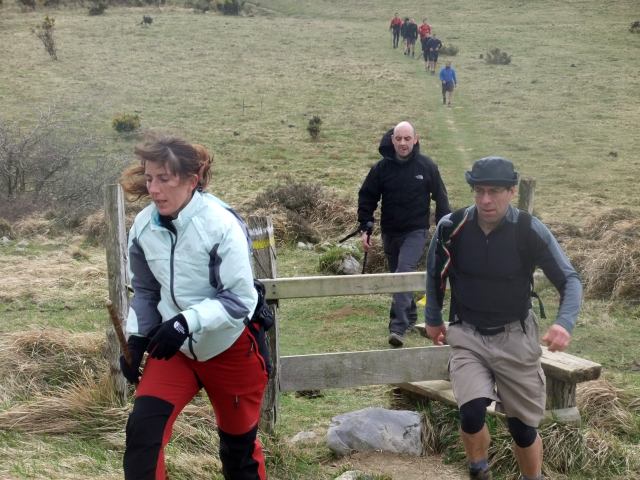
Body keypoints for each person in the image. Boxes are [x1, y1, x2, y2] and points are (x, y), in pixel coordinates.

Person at [118, 135, 268, 480]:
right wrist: (137, 338)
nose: (154, 189)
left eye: (164, 179)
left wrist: (186, 321)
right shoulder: (143, 226)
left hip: (230, 347)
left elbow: (240, 299)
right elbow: (146, 290)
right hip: (176, 351)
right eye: (149, 178)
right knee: (142, 435)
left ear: (192, 180)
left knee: (239, 453)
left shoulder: (220, 224)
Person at [425, 157, 582, 480]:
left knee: (522, 429)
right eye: (479, 191)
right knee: (471, 412)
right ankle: (478, 469)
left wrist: (564, 322)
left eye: (494, 191)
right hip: (467, 333)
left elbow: (569, 279)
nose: (485, 200)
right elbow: (435, 274)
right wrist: (433, 317)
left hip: (515, 336)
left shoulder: (528, 230)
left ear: (511, 191)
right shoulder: (451, 227)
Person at [358, 121, 450, 348]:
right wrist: (366, 227)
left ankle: (397, 327)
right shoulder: (381, 169)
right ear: (392, 140)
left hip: (416, 231)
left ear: (415, 139)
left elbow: (441, 197)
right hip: (390, 231)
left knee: (403, 271)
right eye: (398, 138)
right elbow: (367, 196)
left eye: (407, 138)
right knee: (397, 276)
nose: (403, 143)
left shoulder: (426, 166)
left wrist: (445, 230)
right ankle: (410, 316)